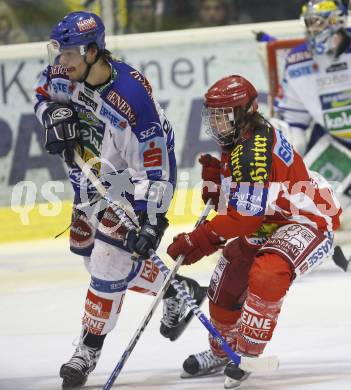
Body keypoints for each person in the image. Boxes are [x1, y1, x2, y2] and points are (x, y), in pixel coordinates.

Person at [33, 11, 206, 388]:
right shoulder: (66, 72)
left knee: (107, 261)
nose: (60, 62)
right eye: (59, 53)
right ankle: (176, 289)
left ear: (93, 51)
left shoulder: (131, 99)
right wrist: (52, 114)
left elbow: (157, 167)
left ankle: (87, 350)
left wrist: (151, 218)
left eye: (68, 54)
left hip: (130, 180)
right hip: (89, 174)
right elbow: (41, 93)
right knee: (85, 249)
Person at [166, 75, 342, 388]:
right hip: (267, 218)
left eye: (225, 115)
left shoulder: (253, 151)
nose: (217, 123)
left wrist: (200, 238)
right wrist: (219, 187)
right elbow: (243, 204)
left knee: (267, 274)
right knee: (225, 285)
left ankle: (247, 354)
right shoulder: (240, 135)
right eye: (214, 116)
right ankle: (223, 352)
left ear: (247, 110)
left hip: (303, 219)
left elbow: (244, 219)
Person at [274, 0, 351, 208]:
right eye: (309, 24)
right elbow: (293, 121)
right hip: (336, 144)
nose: (313, 30)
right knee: (311, 209)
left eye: (318, 22)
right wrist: (283, 157)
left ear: (337, 21)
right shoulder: (299, 61)